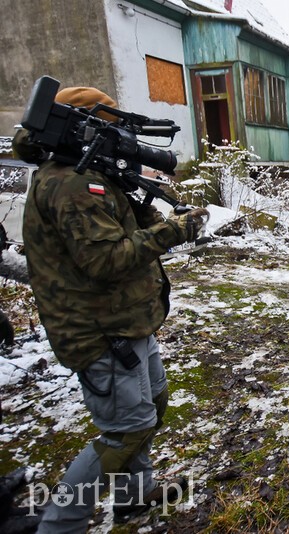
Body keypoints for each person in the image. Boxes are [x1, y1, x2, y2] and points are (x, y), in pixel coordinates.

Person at [16, 86, 207, 531]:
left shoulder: (92, 174)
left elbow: (123, 227)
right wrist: (174, 232)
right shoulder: (71, 183)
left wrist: (150, 216)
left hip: (128, 320)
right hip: (100, 332)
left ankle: (134, 496)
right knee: (125, 430)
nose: (120, 136)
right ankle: (59, 523)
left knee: (152, 405)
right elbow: (104, 260)